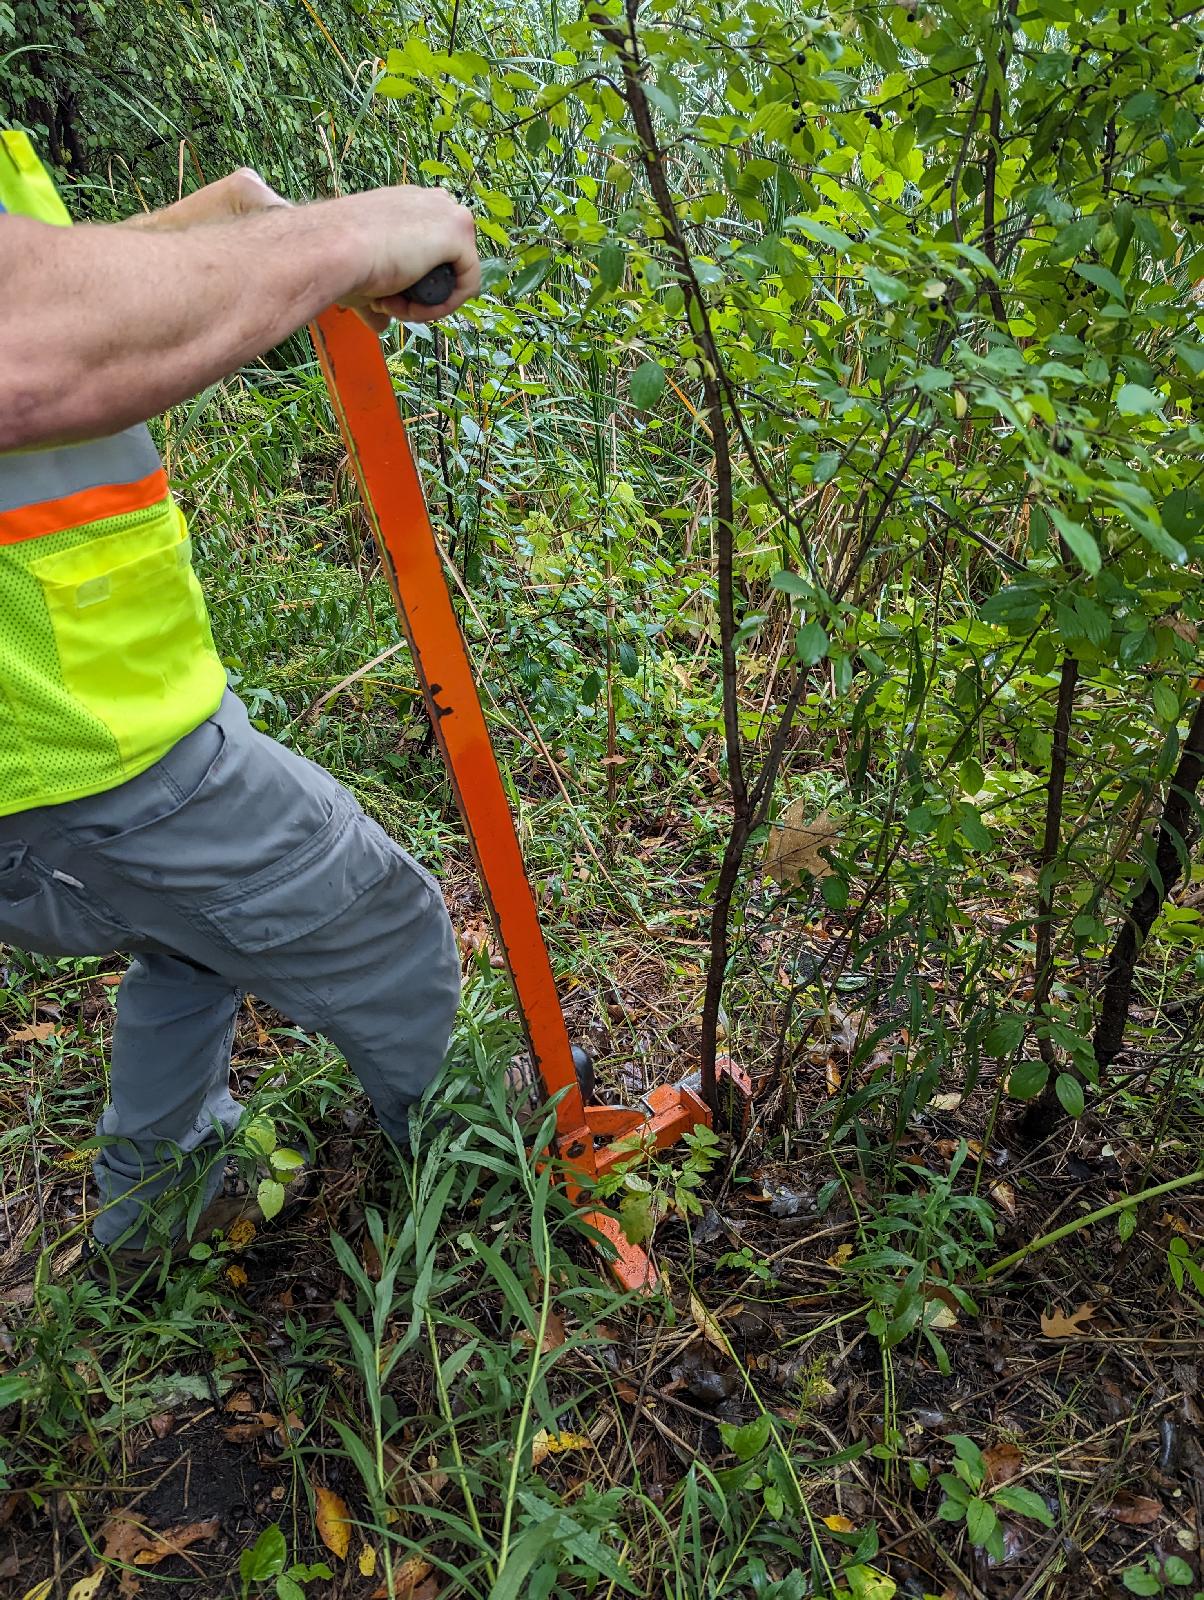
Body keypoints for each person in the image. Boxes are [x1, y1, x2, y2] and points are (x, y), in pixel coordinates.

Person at [0, 131, 481, 1285]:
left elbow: (43, 287)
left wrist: (218, 227)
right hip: (79, 741)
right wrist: (344, 236)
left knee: (191, 938)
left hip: (76, 722)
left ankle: (160, 1214)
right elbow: (22, 353)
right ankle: (487, 1215)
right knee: (387, 931)